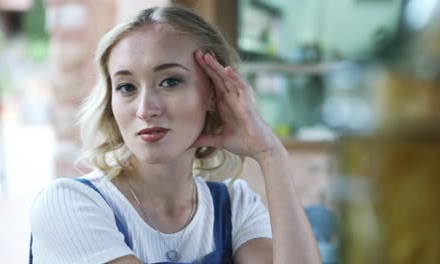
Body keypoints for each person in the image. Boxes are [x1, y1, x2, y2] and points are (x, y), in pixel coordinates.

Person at [29, 5, 321, 264]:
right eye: (127, 87)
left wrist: (272, 155)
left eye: (170, 81)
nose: (145, 109)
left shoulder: (236, 206)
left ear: (214, 93)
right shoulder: (68, 203)